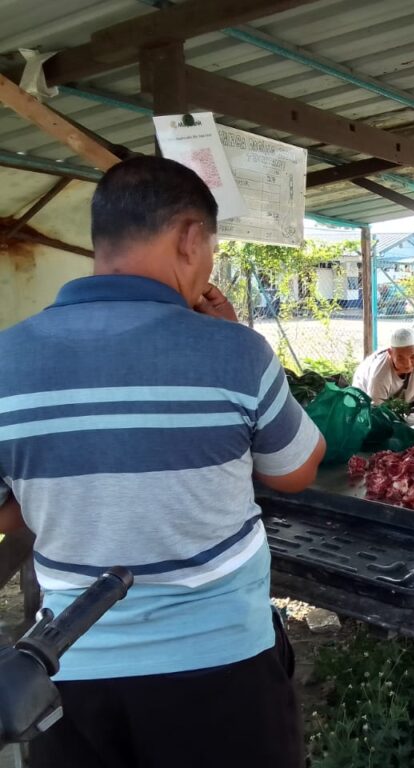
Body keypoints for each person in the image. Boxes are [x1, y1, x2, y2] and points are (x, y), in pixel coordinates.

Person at [0, 156, 325, 768]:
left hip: (67, 669)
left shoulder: (4, 359)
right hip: (220, 665)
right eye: (210, 250)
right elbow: (296, 471)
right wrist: (234, 335)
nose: (207, 268)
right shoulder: (234, 353)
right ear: (189, 237)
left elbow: (13, 516)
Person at [352, 327, 414, 405]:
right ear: (390, 353)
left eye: (413, 356)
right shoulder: (379, 375)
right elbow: (376, 411)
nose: (408, 364)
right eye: (401, 358)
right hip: (367, 397)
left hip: (408, 396)